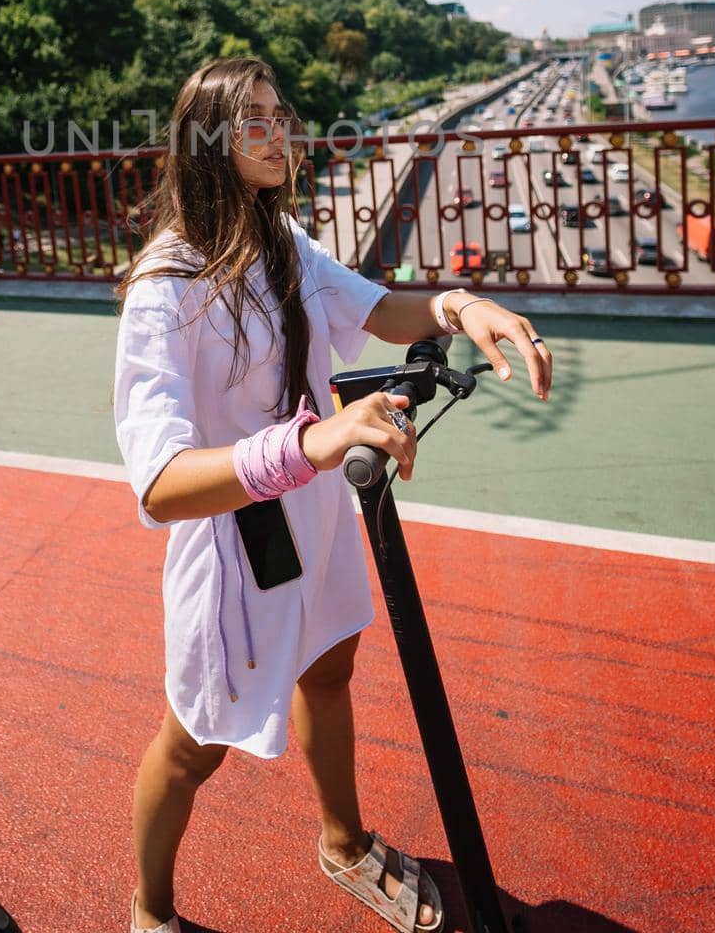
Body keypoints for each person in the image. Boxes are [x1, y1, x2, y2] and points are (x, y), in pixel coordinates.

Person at [113, 56, 553, 933]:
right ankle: (150, 911)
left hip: (313, 513)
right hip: (236, 544)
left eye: (282, 114)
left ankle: (343, 840)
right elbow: (160, 486)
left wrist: (460, 309)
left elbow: (377, 308)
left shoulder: (281, 243)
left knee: (331, 666)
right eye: (255, 120)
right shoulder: (165, 289)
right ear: (208, 142)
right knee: (194, 743)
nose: (280, 133)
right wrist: (316, 439)